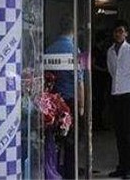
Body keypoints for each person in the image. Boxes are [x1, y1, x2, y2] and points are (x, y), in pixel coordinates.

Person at [45, 15, 84, 179]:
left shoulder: (49, 49)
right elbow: (80, 82)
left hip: (52, 103)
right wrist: (82, 106)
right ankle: (70, 172)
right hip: (70, 101)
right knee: (71, 140)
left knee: (54, 138)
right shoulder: (75, 50)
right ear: (74, 30)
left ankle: (53, 169)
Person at [106, 20, 130, 180]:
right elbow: (111, 71)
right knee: (119, 133)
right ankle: (121, 166)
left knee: (128, 133)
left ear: (126, 33)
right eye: (116, 31)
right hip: (115, 94)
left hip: (128, 94)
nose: (118, 34)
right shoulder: (110, 51)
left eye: (121, 31)